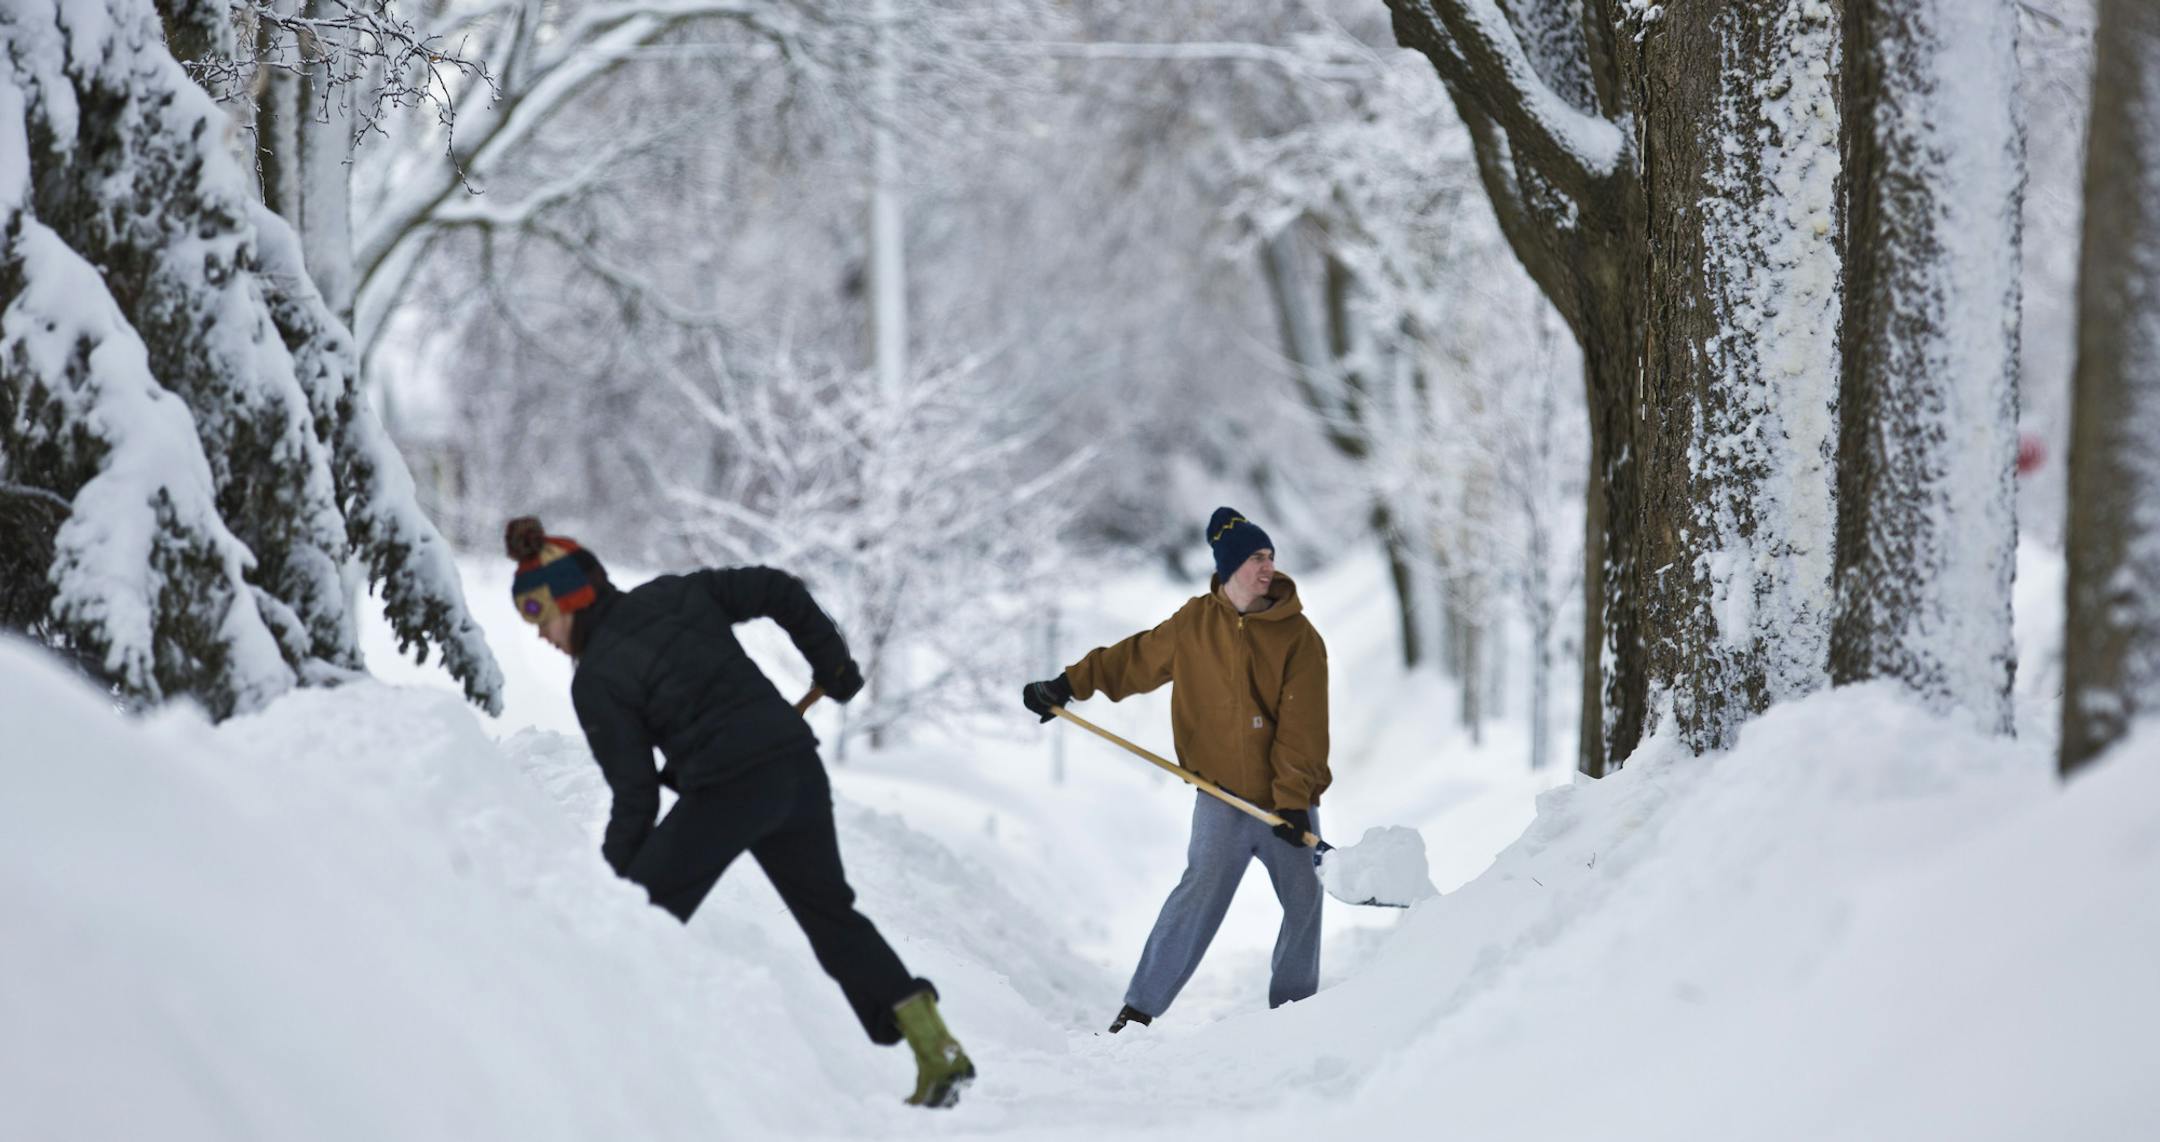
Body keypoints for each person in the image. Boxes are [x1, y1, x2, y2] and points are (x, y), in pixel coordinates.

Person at [504, 517, 974, 1107]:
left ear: (569, 600)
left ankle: (608, 1071)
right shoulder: (675, 593)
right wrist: (832, 665)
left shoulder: (595, 680)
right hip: (795, 768)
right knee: (832, 917)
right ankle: (935, 1046)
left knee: (634, 921)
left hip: (729, 791)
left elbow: (635, 799)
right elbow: (777, 588)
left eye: (539, 616)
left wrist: (610, 890)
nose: (542, 635)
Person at [1023, 507, 1330, 1032]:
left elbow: (1303, 728)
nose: (1267, 567)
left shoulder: (1298, 637)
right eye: (1257, 557)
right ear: (1231, 566)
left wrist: (1293, 800)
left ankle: (1294, 1017)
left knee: (1305, 903)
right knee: (1196, 898)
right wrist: (1067, 685)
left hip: (1285, 803)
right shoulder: (1194, 624)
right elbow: (1134, 659)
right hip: (1220, 799)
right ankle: (1138, 1010)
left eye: (1271, 557)